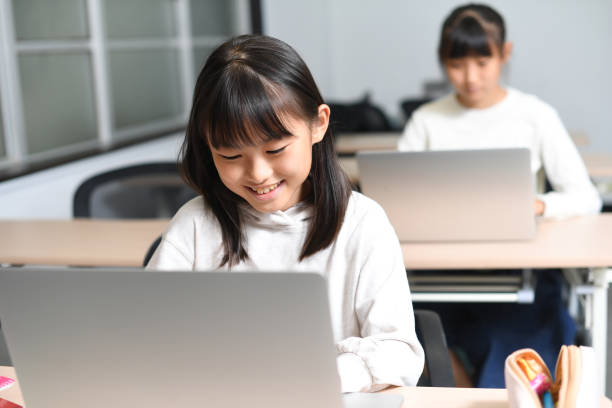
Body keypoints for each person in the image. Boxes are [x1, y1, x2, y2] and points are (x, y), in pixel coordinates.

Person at [147, 34, 424, 392]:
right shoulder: (195, 226)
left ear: (318, 124)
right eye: (231, 156)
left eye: (276, 149)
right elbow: (147, 337)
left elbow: (399, 352)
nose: (258, 174)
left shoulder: (361, 223)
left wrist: (318, 377)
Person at [397, 3, 602, 387]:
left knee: (512, 351)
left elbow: (585, 196)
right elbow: (399, 196)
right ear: (442, 61)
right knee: (422, 344)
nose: (470, 77)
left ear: (504, 54)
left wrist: (539, 205)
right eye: (457, 64)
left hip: (520, 274)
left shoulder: (534, 115)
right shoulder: (426, 120)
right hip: (440, 273)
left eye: (482, 61)